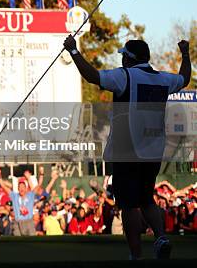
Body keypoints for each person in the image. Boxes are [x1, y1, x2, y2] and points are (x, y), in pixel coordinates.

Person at [64, 36, 191, 259]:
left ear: (129, 58)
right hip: (153, 150)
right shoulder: (163, 79)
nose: (121, 58)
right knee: (146, 199)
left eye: (124, 55)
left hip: (128, 148)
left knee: (129, 205)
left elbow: (93, 76)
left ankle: (136, 255)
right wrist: (186, 54)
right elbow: (185, 78)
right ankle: (160, 237)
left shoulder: (125, 76)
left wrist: (74, 51)